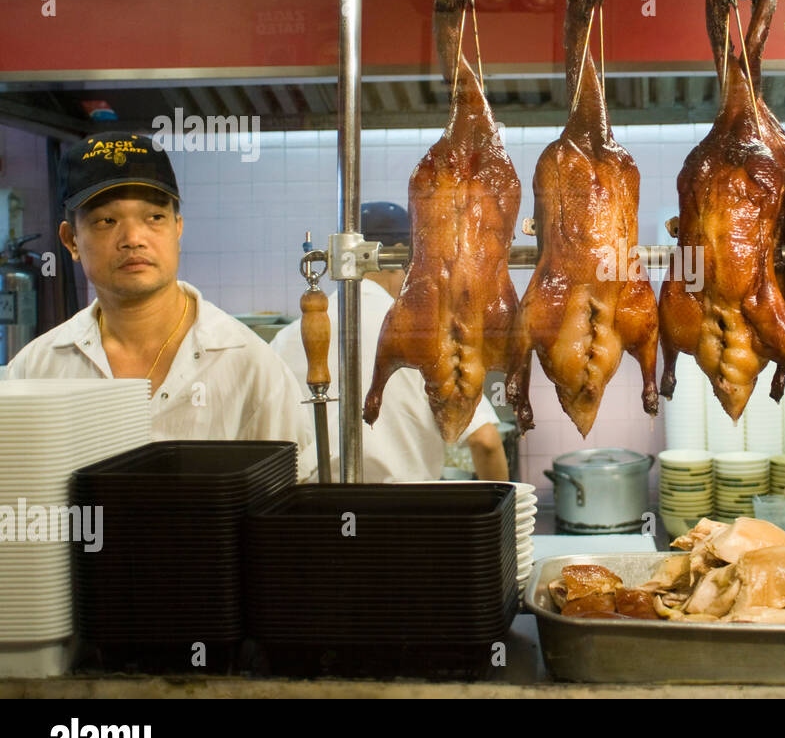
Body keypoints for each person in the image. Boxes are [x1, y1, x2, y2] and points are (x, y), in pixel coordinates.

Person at [8, 132, 316, 479]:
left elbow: (288, 502)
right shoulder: (37, 369)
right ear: (71, 240)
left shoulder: (250, 366)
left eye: (154, 217)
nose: (133, 239)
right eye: (106, 221)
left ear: (177, 228)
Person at [271, 201, 508, 484]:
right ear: (401, 257)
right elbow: (486, 442)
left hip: (313, 513)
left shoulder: (286, 340)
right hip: (400, 516)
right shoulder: (426, 337)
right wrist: (503, 517)